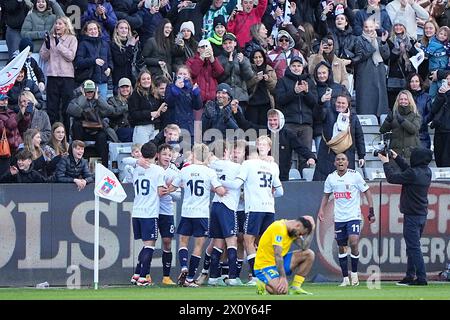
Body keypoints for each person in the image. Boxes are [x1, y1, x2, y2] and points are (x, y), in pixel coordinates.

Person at [169, 143, 226, 287]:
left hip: (187, 211)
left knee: (183, 242)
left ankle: (183, 266)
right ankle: (190, 278)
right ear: (207, 156)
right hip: (201, 213)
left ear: (193, 155)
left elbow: (172, 187)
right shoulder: (209, 172)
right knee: (198, 246)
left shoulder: (184, 171)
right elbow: (220, 191)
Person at [318, 153, 375, 286]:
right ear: (334, 163)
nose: (340, 161)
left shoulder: (354, 175)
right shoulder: (331, 178)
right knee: (342, 246)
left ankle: (354, 273)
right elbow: (326, 195)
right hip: (339, 217)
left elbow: (366, 191)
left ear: (347, 162)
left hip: (353, 215)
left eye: (343, 159)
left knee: (354, 241)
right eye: (338, 159)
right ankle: (345, 278)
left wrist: (371, 211)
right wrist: (321, 209)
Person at [378, 147, 432, 286]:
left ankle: (421, 278)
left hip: (412, 216)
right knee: (412, 247)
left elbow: (392, 178)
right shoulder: (426, 171)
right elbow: (409, 170)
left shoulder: (413, 174)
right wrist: (396, 158)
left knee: (413, 247)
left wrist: (385, 162)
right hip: (421, 215)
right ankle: (410, 275)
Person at [129, 141, 167, 286]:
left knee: (145, 246)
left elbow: (126, 161)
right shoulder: (158, 171)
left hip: (137, 211)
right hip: (149, 213)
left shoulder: (136, 168)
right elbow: (160, 192)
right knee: (150, 246)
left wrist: (136, 161)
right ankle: (143, 278)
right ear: (156, 155)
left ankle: (137, 274)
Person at [206, 140, 242, 286]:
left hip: (215, 205)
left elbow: (209, 183)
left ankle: (213, 278)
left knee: (218, 243)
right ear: (227, 151)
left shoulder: (212, 166)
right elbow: (238, 184)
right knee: (232, 241)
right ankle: (232, 278)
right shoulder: (236, 167)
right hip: (228, 206)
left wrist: (217, 185)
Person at [254, 216, 316, 295]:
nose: (299, 236)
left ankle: (295, 287)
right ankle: (263, 283)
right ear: (298, 225)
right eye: (300, 233)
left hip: (280, 264)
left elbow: (304, 247)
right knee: (282, 291)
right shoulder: (279, 227)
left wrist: (312, 230)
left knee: (309, 254)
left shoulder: (293, 231)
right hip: (265, 266)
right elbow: (277, 254)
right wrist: (283, 278)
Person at [313, 94, 365, 181]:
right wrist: (320, 103)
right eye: (338, 102)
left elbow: (359, 137)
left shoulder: (353, 118)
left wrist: (361, 155)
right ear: (335, 103)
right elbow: (317, 116)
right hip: (327, 155)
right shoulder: (328, 112)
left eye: (343, 103)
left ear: (347, 104)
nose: (340, 105)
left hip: (347, 155)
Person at [39, 16, 78, 131]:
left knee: (66, 108)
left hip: (67, 77)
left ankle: (65, 135)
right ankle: (52, 134)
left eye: (60, 24)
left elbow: (70, 56)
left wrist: (58, 45)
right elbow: (43, 56)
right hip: (52, 76)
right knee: (52, 108)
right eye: (56, 23)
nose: (57, 26)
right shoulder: (50, 38)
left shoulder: (72, 39)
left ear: (66, 26)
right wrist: (47, 46)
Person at [66, 80, 114, 166]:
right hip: (82, 131)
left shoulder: (99, 99)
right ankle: (76, 163)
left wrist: (98, 99)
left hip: (96, 129)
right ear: (83, 91)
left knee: (102, 137)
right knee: (77, 125)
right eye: (87, 91)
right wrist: (83, 98)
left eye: (91, 91)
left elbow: (110, 111)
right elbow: (71, 111)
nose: (89, 93)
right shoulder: (76, 99)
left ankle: (104, 166)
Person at [275, 56, 317, 152]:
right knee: (286, 155)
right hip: (289, 124)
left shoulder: (309, 81)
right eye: (294, 66)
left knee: (306, 156)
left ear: (302, 67)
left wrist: (307, 92)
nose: (296, 68)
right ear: (289, 67)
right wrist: (294, 92)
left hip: (306, 125)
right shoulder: (282, 81)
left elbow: (314, 102)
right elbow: (280, 100)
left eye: (299, 65)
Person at [156, 143, 181, 285]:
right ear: (158, 155)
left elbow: (178, 195)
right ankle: (145, 275)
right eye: (164, 154)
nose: (167, 157)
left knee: (167, 242)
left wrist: (170, 191)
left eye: (169, 155)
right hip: (152, 210)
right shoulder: (151, 168)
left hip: (166, 211)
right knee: (150, 243)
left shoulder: (174, 172)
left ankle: (166, 277)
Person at [353, 17, 390, 116]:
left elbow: (386, 56)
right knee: (365, 99)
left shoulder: (379, 39)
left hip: (379, 72)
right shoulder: (358, 39)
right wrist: (371, 44)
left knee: (380, 97)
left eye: (371, 27)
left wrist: (383, 42)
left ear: (375, 27)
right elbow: (361, 55)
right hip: (365, 72)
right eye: (366, 27)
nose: (368, 29)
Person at [380, 90, 421, 163]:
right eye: (401, 99)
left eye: (405, 99)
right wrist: (388, 120)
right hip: (396, 152)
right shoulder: (393, 114)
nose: (403, 101)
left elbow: (413, 130)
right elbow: (382, 130)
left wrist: (402, 121)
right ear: (398, 101)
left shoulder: (415, 115)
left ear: (409, 101)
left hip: (411, 153)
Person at [163, 65, 202, 142]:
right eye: (180, 74)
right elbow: (169, 102)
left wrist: (196, 95)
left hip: (188, 126)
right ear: (176, 75)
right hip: (174, 126)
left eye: (185, 74)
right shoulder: (171, 86)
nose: (182, 76)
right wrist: (176, 89)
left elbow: (198, 106)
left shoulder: (191, 88)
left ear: (189, 76)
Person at [75, 21, 113, 99]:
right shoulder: (83, 44)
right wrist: (93, 61)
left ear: (98, 30)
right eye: (90, 29)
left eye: (95, 29)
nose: (93, 31)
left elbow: (110, 59)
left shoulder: (105, 44)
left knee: (103, 107)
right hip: (89, 81)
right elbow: (78, 62)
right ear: (86, 32)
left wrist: (110, 68)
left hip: (102, 81)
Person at [128, 70, 166, 145]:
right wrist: (150, 114)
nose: (146, 81)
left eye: (148, 79)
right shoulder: (135, 94)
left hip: (155, 127)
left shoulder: (155, 93)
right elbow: (133, 114)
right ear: (139, 81)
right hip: (142, 127)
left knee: (153, 152)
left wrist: (162, 111)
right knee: (142, 151)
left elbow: (157, 110)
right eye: (143, 79)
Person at [186, 39, 225, 107]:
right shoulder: (191, 60)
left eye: (207, 47)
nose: (205, 49)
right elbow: (193, 73)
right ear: (198, 49)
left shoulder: (213, 61)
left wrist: (212, 59)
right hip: (198, 98)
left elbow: (219, 72)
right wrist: (201, 58)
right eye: (202, 47)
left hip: (212, 99)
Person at [246, 48, 277, 126]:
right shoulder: (248, 69)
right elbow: (246, 86)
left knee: (264, 129)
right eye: (255, 57)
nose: (258, 59)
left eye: (260, 57)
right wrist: (256, 79)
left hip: (266, 103)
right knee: (252, 130)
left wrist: (268, 79)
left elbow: (274, 88)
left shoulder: (269, 69)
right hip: (252, 104)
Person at [430, 71, 450, 167]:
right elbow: (434, 109)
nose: (448, 81)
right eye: (447, 79)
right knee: (439, 159)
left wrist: (448, 93)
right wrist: (441, 95)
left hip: (448, 131)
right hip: (439, 129)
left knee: (446, 161)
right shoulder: (442, 93)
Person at [407, 73, 432, 149]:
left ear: (420, 83)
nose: (414, 83)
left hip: (422, 135)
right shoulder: (405, 96)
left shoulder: (426, 97)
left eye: (416, 81)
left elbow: (430, 113)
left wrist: (422, 122)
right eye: (412, 81)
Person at [107, 77, 133, 142]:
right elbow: (112, 113)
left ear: (130, 88)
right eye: (122, 87)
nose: (125, 89)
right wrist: (126, 107)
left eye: (127, 87)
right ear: (119, 89)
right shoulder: (112, 100)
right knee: (132, 133)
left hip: (133, 126)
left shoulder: (135, 99)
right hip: (119, 128)